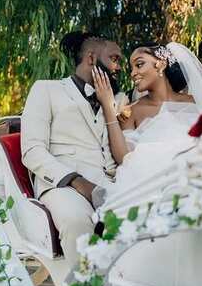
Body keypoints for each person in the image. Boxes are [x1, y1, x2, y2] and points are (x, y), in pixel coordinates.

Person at [21, 32, 128, 266]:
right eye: (114, 58)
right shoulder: (46, 90)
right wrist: (78, 182)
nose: (118, 66)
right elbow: (32, 151)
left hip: (109, 184)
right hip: (62, 186)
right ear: (91, 58)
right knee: (77, 221)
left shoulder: (117, 100)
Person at [93, 41, 202, 200]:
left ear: (161, 64)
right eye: (131, 68)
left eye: (139, 65)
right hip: (152, 187)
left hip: (201, 179)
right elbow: (124, 158)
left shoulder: (197, 102)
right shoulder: (132, 111)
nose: (133, 73)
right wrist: (108, 107)